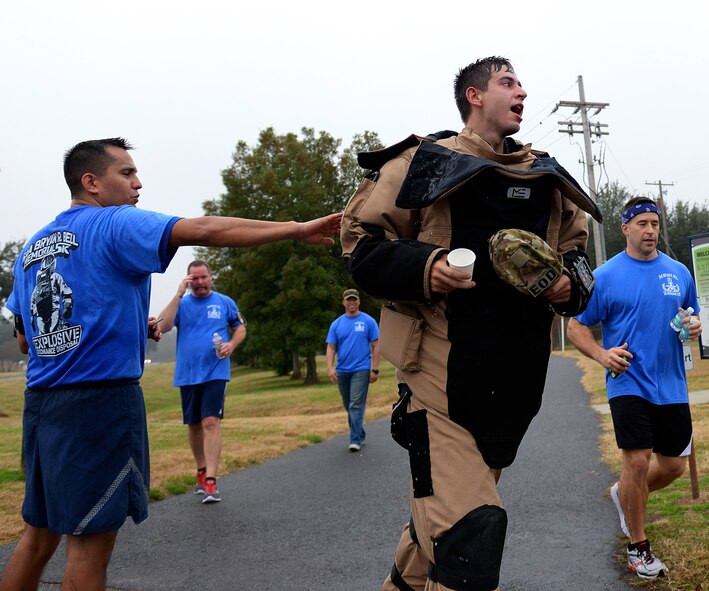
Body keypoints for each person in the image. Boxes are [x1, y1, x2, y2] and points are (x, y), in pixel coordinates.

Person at [1, 137, 340, 591]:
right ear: (91, 182)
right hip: (98, 405)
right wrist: (297, 229)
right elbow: (203, 230)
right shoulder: (113, 222)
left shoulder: (32, 249)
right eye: (126, 173)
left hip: (42, 407)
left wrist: (120, 323)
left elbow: (27, 340)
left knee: (38, 536)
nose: (138, 183)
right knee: (88, 544)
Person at [340, 56, 601, 591]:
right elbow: (360, 247)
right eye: (508, 82)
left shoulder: (546, 175)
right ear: (475, 96)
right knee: (470, 534)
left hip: (514, 388)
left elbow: (578, 259)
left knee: (432, 536)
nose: (521, 91)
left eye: (522, 83)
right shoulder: (423, 163)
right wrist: (427, 268)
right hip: (440, 386)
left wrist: (567, 285)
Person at [567, 196, 701, 580]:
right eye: (641, 223)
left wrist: (695, 327)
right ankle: (638, 547)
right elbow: (576, 325)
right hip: (628, 382)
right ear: (625, 229)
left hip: (671, 383)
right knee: (638, 461)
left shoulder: (678, 272)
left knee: (673, 465)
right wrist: (601, 354)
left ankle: (623, 494)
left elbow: (690, 316)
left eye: (655, 224)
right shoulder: (606, 275)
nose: (650, 230)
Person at [158, 260, 246, 503]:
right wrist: (177, 294)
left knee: (210, 421)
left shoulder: (224, 302)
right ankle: (201, 470)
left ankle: (211, 481)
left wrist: (231, 344)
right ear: (188, 281)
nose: (199, 283)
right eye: (193, 279)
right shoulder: (182, 304)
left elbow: (240, 329)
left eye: (203, 277)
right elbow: (163, 326)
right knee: (194, 425)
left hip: (215, 372)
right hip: (187, 373)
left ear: (210, 277)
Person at [326, 288, 380, 452]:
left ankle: (355, 439)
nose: (351, 302)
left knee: (355, 405)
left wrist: (375, 369)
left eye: (354, 300)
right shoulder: (337, 324)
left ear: (358, 301)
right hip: (343, 370)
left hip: (361, 368)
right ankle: (360, 433)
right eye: (348, 300)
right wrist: (330, 368)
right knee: (348, 405)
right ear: (343, 302)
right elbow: (331, 347)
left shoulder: (368, 321)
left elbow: (376, 345)